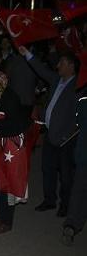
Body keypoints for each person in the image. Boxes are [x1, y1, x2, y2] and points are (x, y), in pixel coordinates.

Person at [19, 46, 79, 217]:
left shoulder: (78, 87)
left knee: (66, 174)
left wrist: (70, 133)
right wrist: (28, 54)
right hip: (50, 133)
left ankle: (65, 205)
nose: (58, 66)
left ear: (70, 66)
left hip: (66, 138)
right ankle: (49, 200)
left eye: (61, 63)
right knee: (48, 168)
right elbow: (41, 70)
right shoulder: (55, 80)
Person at [0, 71, 34, 234]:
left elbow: (13, 125)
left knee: (8, 183)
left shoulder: (10, 99)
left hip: (10, 146)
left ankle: (7, 220)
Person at [62, 88, 87, 246]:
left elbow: (78, 122)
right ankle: (73, 224)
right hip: (84, 152)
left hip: (83, 152)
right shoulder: (83, 99)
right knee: (80, 191)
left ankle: (71, 224)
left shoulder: (83, 98)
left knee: (79, 190)